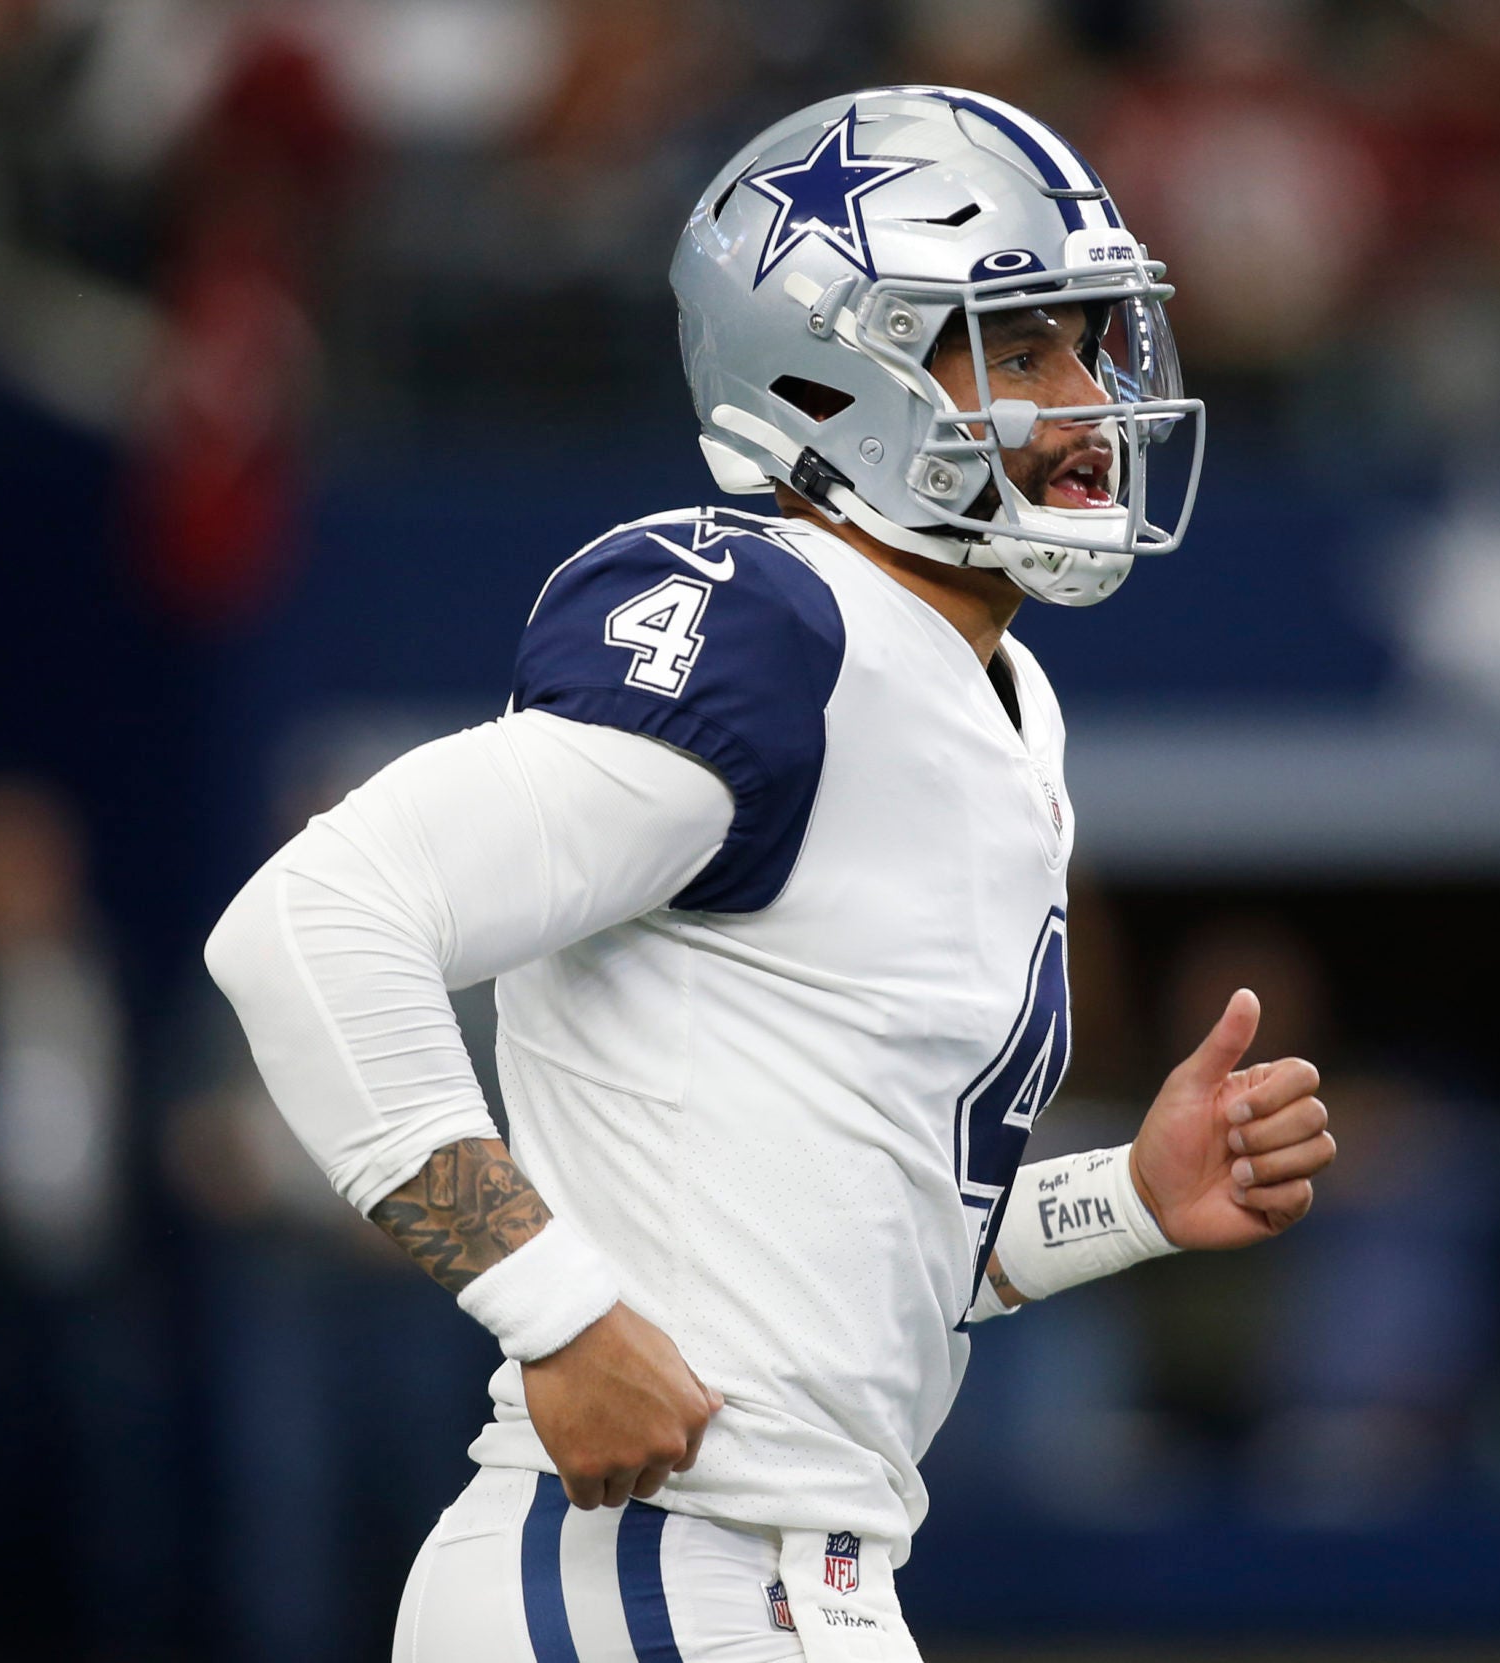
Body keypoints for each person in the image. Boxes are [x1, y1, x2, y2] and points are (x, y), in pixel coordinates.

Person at [204, 86, 1336, 1663]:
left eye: (1089, 342)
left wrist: (1131, 1201)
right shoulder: (764, 622)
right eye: (1017, 348)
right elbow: (310, 925)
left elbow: (857, 1269)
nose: (1087, 403)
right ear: (825, 363)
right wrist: (554, 1312)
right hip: (649, 1568)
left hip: (799, 1581)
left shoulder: (995, 697)